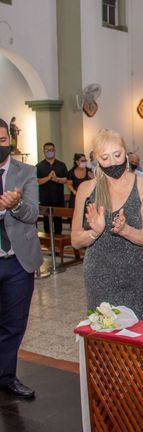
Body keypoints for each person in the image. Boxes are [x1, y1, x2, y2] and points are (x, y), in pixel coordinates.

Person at [71, 129, 143, 321]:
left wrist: (126, 230)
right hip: (99, 273)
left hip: (136, 273)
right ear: (96, 160)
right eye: (105, 157)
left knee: (138, 334)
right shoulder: (86, 189)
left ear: (126, 153)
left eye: (117, 155)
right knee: (104, 336)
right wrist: (94, 232)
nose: (113, 162)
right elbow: (76, 240)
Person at [0, 118, 43, 399]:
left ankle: (6, 376)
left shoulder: (26, 171)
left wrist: (15, 206)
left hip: (17, 261)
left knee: (14, 323)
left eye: (2, 140)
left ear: (10, 141)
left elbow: (32, 214)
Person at [36, 142, 68, 235]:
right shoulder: (39, 166)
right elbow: (37, 181)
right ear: (44, 151)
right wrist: (48, 178)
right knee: (46, 223)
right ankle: (48, 244)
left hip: (58, 199)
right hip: (45, 199)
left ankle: (58, 245)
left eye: (51, 150)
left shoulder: (61, 165)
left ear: (54, 151)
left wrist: (56, 179)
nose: (49, 152)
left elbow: (66, 179)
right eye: (47, 150)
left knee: (58, 223)